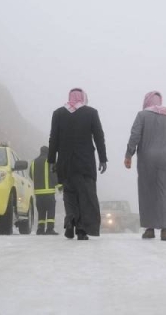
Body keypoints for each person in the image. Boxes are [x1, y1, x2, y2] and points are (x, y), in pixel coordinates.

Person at [124, 91, 166, 241]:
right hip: (164, 159)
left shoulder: (142, 115)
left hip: (146, 159)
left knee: (147, 192)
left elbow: (135, 135)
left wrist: (128, 154)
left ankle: (149, 229)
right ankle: (165, 231)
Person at [48, 88, 108, 241]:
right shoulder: (91, 113)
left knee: (69, 194)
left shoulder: (58, 113)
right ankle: (81, 229)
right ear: (83, 98)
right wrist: (103, 158)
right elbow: (99, 137)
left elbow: (53, 138)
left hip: (65, 163)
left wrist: (51, 160)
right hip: (85, 163)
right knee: (86, 197)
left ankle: (70, 220)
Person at [30, 146, 59, 235]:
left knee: (41, 211)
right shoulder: (50, 161)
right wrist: (59, 185)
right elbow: (54, 174)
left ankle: (40, 229)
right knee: (51, 210)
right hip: (49, 192)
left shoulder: (33, 162)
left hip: (38, 193)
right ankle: (50, 229)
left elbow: (31, 175)